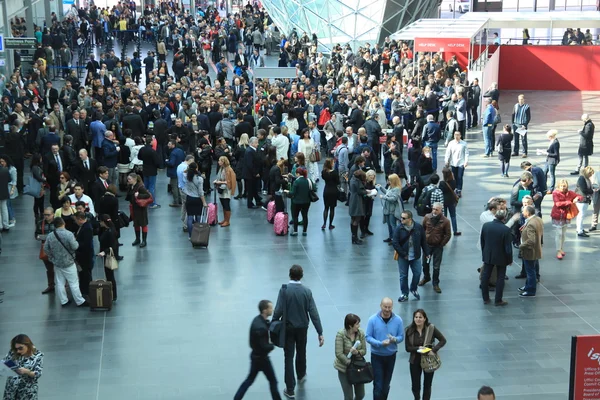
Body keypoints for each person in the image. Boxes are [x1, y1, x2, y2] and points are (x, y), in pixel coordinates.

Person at [272, 265, 324, 400]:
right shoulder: (307, 291)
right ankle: (301, 374)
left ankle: (290, 389)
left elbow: (278, 310)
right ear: (302, 275)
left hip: (288, 328)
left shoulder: (284, 290)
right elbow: (313, 313)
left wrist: (273, 323)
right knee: (302, 351)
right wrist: (320, 332)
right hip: (302, 328)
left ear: (289, 275)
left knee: (288, 357)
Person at [233, 300, 282, 400]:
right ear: (265, 310)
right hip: (262, 359)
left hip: (255, 357)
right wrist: (272, 346)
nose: (272, 310)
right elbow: (264, 346)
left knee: (249, 380)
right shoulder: (261, 328)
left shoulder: (258, 320)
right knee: (273, 381)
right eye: (270, 308)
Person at [43, 217, 89, 307]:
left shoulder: (50, 235)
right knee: (73, 282)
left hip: (57, 263)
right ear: (63, 223)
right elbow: (75, 246)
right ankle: (80, 301)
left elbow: (46, 249)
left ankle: (64, 301)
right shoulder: (69, 234)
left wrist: (52, 258)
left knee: (60, 283)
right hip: (69, 262)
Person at [365, 297, 404, 400]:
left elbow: (401, 337)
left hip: (391, 356)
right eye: (385, 307)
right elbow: (368, 337)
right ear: (380, 306)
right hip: (377, 356)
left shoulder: (398, 320)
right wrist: (380, 343)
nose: (387, 309)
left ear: (392, 307)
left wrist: (394, 339)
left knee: (386, 385)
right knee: (378, 384)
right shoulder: (372, 320)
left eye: (389, 307)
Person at [404, 309, 447, 400]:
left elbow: (443, 340)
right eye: (416, 317)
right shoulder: (409, 330)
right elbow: (407, 348)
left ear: (424, 319)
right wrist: (418, 348)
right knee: (415, 385)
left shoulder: (431, 328)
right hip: (415, 360)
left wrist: (434, 350)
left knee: (427, 385)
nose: (418, 319)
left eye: (420, 317)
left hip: (429, 360)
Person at [392, 210, 428, 302]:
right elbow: (395, 243)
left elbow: (423, 241)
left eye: (404, 218)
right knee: (403, 276)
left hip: (415, 255)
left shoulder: (418, 227)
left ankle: (413, 288)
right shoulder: (399, 228)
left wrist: (427, 253)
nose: (401, 219)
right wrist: (403, 254)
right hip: (403, 256)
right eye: (401, 217)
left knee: (417, 273)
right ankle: (404, 293)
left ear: (410, 219)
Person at [480, 209, 513, 306]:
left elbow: (483, 241)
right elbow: (508, 247)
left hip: (488, 255)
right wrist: (509, 259)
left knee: (485, 276)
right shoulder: (506, 229)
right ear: (504, 218)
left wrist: (484, 253)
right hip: (501, 256)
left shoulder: (486, 226)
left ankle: (485, 298)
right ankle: (498, 300)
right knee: (500, 277)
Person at [419, 202, 451, 294]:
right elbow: (422, 229)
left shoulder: (445, 221)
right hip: (427, 246)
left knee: (436, 266)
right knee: (425, 263)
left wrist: (441, 244)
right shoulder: (427, 217)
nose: (434, 211)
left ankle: (435, 283)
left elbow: (448, 234)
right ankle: (426, 277)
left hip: (437, 247)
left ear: (441, 210)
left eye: (437, 209)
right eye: (433, 209)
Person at [334, 313, 367, 400]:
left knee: (361, 394)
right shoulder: (340, 334)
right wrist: (349, 363)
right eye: (357, 324)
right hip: (344, 369)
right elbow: (339, 353)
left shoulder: (361, 333)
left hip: (358, 367)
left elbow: (364, 350)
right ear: (350, 326)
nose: (359, 326)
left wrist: (357, 352)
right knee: (348, 397)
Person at [2, 334, 44, 400]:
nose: (18, 351)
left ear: (27, 345)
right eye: (16, 349)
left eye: (20, 348)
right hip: (11, 389)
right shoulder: (13, 352)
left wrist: (27, 372)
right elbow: (5, 362)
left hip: (27, 391)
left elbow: (38, 373)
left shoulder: (38, 355)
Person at [518, 205, 543, 298]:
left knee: (530, 271)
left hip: (530, 251)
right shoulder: (537, 219)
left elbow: (531, 240)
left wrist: (521, 246)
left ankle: (531, 290)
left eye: (523, 211)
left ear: (528, 213)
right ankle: (527, 286)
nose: (522, 213)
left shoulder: (531, 223)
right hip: (536, 249)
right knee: (531, 269)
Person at [551, 179, 579, 259]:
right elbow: (557, 204)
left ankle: (561, 248)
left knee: (563, 234)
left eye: (564, 186)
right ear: (558, 186)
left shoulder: (569, 193)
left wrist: (577, 198)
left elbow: (579, 196)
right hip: (558, 215)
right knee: (558, 234)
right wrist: (570, 202)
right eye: (561, 186)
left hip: (565, 216)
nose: (563, 187)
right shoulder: (555, 193)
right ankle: (558, 250)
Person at [97, 214, 119, 302]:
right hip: (108, 255)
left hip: (109, 255)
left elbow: (112, 246)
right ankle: (112, 293)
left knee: (110, 275)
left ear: (103, 222)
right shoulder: (108, 230)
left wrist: (104, 252)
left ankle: (113, 294)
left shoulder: (109, 232)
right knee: (109, 275)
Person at [285, 167, 312, 237]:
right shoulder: (308, 180)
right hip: (306, 201)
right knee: (305, 216)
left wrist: (287, 192)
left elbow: (293, 193)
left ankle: (295, 231)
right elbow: (313, 188)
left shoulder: (296, 182)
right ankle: (305, 231)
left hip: (296, 202)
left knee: (295, 216)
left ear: (298, 174)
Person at [126, 173, 151, 248]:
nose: (128, 180)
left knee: (143, 224)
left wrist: (139, 195)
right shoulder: (130, 186)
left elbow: (148, 195)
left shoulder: (140, 187)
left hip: (141, 208)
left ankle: (144, 240)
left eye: (129, 179)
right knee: (136, 223)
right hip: (134, 207)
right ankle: (137, 239)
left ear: (134, 179)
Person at [377, 173, 403, 244]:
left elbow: (393, 198)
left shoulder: (397, 189)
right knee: (389, 224)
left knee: (393, 224)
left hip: (392, 210)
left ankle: (395, 239)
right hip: (388, 208)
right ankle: (390, 237)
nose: (388, 181)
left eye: (389, 180)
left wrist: (384, 197)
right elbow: (388, 193)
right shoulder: (390, 187)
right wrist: (381, 188)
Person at [184, 162, 208, 237]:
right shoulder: (199, 179)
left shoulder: (187, 177)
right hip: (197, 199)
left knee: (190, 217)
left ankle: (191, 235)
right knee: (199, 216)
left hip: (189, 198)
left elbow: (185, 171)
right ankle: (199, 234)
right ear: (196, 169)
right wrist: (204, 202)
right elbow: (201, 192)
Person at [74, 211, 94, 297]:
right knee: (83, 274)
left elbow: (86, 244)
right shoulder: (84, 226)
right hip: (83, 256)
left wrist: (75, 244)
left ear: (80, 219)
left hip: (85, 256)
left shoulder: (87, 228)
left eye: (76, 220)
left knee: (86, 274)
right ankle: (84, 290)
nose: (75, 222)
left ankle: (87, 291)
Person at [444, 131, 468, 196]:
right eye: (455, 135)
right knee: (454, 177)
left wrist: (466, 161)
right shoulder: (451, 143)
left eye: (458, 135)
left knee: (460, 176)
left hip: (461, 163)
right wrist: (446, 160)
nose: (456, 136)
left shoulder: (464, 143)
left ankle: (459, 189)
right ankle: (455, 188)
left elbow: (466, 153)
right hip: (453, 163)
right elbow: (448, 153)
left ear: (460, 136)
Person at [213, 156, 236, 227]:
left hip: (226, 190)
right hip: (221, 188)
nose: (218, 162)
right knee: (223, 205)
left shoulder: (229, 169)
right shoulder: (222, 168)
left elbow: (231, 181)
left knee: (226, 205)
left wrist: (219, 182)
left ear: (223, 162)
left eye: (220, 161)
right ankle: (225, 219)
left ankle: (227, 221)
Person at [349, 170, 370, 244]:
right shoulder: (357, 182)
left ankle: (353, 236)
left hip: (352, 199)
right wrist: (367, 192)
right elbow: (360, 191)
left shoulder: (352, 179)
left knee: (353, 218)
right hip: (357, 201)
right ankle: (355, 238)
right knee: (357, 218)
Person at [243, 137, 263, 209]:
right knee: (251, 190)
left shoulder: (253, 150)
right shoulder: (249, 151)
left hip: (252, 174)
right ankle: (250, 204)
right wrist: (255, 173)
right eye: (256, 143)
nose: (258, 144)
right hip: (250, 175)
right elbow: (250, 164)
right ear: (252, 143)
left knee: (254, 188)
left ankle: (258, 200)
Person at [575, 166, 594, 237]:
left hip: (584, 199)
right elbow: (584, 190)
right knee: (581, 215)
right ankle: (579, 230)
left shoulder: (585, 178)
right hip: (582, 199)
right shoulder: (582, 179)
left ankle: (580, 228)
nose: (591, 175)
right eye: (590, 174)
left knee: (581, 215)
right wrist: (592, 191)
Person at [320, 158, 339, 230]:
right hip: (334, 191)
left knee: (326, 208)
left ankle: (324, 223)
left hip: (326, 190)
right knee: (332, 208)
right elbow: (338, 182)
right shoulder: (334, 172)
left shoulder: (323, 172)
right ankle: (330, 224)